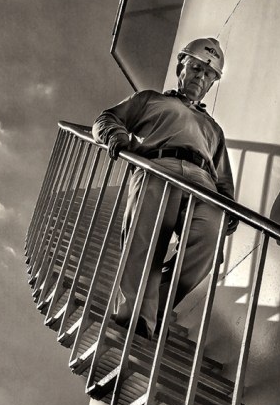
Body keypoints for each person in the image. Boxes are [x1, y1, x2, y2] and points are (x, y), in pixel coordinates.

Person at [92, 37, 236, 339]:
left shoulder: (214, 129)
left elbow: (222, 175)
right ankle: (134, 319)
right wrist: (116, 136)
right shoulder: (150, 100)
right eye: (196, 68)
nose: (200, 77)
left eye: (208, 74)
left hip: (203, 183)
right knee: (144, 239)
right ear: (181, 67)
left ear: (212, 83)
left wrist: (229, 204)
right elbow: (107, 118)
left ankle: (154, 303)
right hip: (158, 166)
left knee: (209, 244)